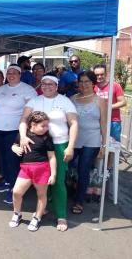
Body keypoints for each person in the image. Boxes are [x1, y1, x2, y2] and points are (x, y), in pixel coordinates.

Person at [19, 74, 78, 232]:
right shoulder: (35, 100)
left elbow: (74, 123)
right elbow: (24, 120)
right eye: (44, 84)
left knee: (57, 180)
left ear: (57, 86)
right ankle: (43, 207)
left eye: (50, 84)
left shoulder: (65, 101)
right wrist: (23, 137)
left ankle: (61, 215)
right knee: (42, 181)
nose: (46, 86)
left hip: (59, 145)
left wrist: (70, 146)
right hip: (38, 146)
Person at [0, 64, 37, 204]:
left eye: (15, 73)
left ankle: (15, 189)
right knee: (2, 157)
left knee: (12, 160)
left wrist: (27, 131)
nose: (11, 75)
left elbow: (32, 111)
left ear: (20, 75)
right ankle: (7, 181)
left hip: (15, 130)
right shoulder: (1, 89)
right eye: (9, 73)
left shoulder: (27, 90)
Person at [9, 111, 56, 231]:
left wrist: (53, 174)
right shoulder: (23, 135)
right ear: (33, 125)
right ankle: (17, 214)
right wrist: (15, 149)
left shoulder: (47, 138)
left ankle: (37, 218)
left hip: (42, 169)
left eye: (47, 125)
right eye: (43, 126)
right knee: (16, 192)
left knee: (41, 195)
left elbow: (52, 157)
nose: (46, 128)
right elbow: (13, 145)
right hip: (25, 169)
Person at [70, 71, 107, 214]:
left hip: (92, 140)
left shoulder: (100, 101)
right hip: (75, 139)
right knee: (68, 166)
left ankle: (79, 201)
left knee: (83, 169)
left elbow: (103, 123)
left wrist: (104, 145)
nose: (84, 84)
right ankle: (69, 191)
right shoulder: (73, 99)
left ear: (93, 83)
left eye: (87, 81)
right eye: (81, 81)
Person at [93, 64, 127, 143]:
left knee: (114, 146)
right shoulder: (92, 87)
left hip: (113, 121)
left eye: (102, 74)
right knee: (98, 144)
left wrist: (107, 107)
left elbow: (123, 102)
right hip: (97, 121)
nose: (99, 77)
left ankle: (110, 156)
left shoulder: (115, 86)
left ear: (106, 74)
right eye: (97, 75)